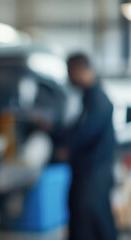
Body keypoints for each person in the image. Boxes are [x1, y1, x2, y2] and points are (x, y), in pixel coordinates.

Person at [61, 52, 117, 240]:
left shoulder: (99, 100)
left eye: (70, 72)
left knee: (94, 221)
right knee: (82, 219)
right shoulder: (88, 98)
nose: (69, 78)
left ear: (79, 70)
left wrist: (66, 149)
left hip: (94, 175)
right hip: (87, 174)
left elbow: (86, 131)